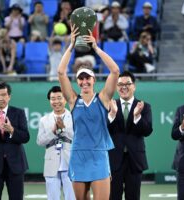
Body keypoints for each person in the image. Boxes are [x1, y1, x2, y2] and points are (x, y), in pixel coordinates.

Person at [58, 24, 119, 200]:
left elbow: (115, 71)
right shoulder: (72, 100)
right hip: (78, 155)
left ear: (93, 80)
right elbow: (61, 72)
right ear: (77, 82)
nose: (84, 81)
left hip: (99, 154)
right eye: (81, 78)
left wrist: (96, 48)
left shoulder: (104, 98)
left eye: (87, 78)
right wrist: (71, 45)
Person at [107, 71, 153, 200]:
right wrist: (112, 114)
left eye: (127, 84)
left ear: (134, 86)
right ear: (116, 87)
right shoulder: (110, 105)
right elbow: (104, 130)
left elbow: (147, 131)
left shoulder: (144, 107)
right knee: (113, 196)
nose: (124, 87)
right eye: (120, 84)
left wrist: (137, 116)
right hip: (114, 159)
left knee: (133, 197)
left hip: (135, 160)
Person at [37, 86, 75, 200]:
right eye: (53, 99)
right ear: (49, 101)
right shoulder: (44, 120)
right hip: (51, 163)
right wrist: (52, 132)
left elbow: (79, 138)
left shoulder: (74, 117)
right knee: (52, 198)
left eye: (59, 98)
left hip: (71, 162)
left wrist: (64, 130)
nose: (56, 101)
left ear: (65, 99)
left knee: (72, 197)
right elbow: (40, 141)